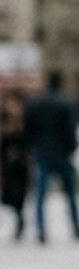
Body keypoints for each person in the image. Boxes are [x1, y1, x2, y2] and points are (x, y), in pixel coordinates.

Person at [24, 72, 79, 244]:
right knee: (70, 193)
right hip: (62, 153)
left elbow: (27, 130)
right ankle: (76, 227)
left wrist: (30, 149)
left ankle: (41, 230)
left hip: (41, 153)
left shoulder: (34, 104)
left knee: (40, 194)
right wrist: (72, 148)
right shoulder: (66, 103)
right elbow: (71, 129)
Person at [1, 92, 30, 240]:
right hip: (8, 165)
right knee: (8, 196)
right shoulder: (4, 120)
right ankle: (19, 219)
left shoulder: (25, 122)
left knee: (19, 196)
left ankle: (20, 221)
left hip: (21, 166)